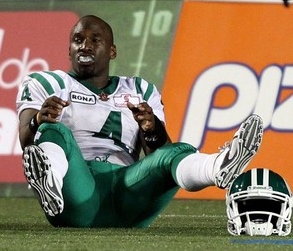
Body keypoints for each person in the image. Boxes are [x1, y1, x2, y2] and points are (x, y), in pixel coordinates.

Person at [16, 15, 263, 228]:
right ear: (68, 50)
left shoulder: (140, 89)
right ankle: (51, 183)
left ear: (112, 51)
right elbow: (27, 142)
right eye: (78, 40)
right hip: (75, 192)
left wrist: (152, 128)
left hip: (126, 191)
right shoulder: (47, 83)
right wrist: (38, 121)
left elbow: (157, 156)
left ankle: (217, 168)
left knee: (175, 151)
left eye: (95, 40)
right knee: (53, 130)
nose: (85, 46)